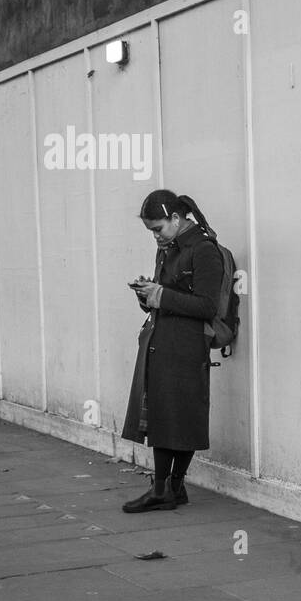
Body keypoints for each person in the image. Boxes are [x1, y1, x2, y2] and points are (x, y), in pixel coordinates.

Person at [120, 191, 224, 513]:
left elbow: (207, 305)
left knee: (181, 419)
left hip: (188, 346)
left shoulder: (205, 250)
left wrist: (161, 295)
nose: (155, 235)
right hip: (163, 341)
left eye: (158, 228)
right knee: (166, 417)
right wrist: (147, 294)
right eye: (151, 230)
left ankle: (166, 489)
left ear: (176, 220)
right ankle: (170, 488)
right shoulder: (168, 249)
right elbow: (168, 294)